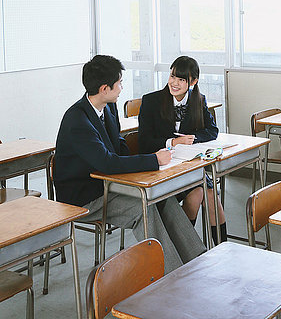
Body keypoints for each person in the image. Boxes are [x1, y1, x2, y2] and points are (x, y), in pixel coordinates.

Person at [54, 54, 206, 272]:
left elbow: (118, 144)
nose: (122, 87)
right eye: (119, 83)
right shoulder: (77, 120)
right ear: (105, 88)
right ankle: (172, 274)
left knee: (162, 198)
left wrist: (139, 167)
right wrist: (153, 160)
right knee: (143, 208)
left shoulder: (108, 107)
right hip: (86, 195)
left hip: (111, 183)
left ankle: (197, 261)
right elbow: (107, 162)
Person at [138, 55, 227, 244]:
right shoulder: (151, 101)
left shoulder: (197, 99)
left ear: (193, 81)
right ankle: (186, 247)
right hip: (162, 169)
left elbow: (212, 130)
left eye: (181, 79)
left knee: (205, 194)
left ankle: (219, 247)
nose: (174, 83)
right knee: (202, 192)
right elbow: (144, 142)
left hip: (188, 165)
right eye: (172, 77)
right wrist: (172, 143)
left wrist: (194, 138)